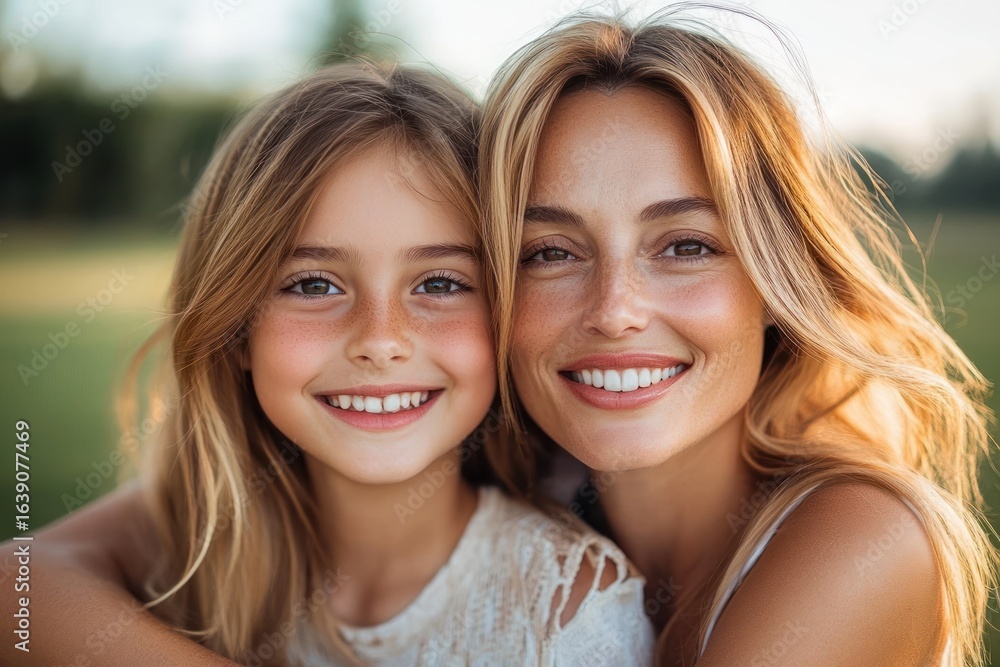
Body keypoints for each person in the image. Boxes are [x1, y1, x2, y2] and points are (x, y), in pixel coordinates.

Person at [0, 62, 654, 665]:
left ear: (508, 314)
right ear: (235, 329)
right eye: (314, 284)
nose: (381, 338)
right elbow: (16, 584)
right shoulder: (196, 551)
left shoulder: (569, 613)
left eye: (440, 282)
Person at [478, 8, 996, 666]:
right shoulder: (513, 527)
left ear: (775, 281)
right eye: (550, 253)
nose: (614, 310)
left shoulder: (864, 535)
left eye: (686, 245)